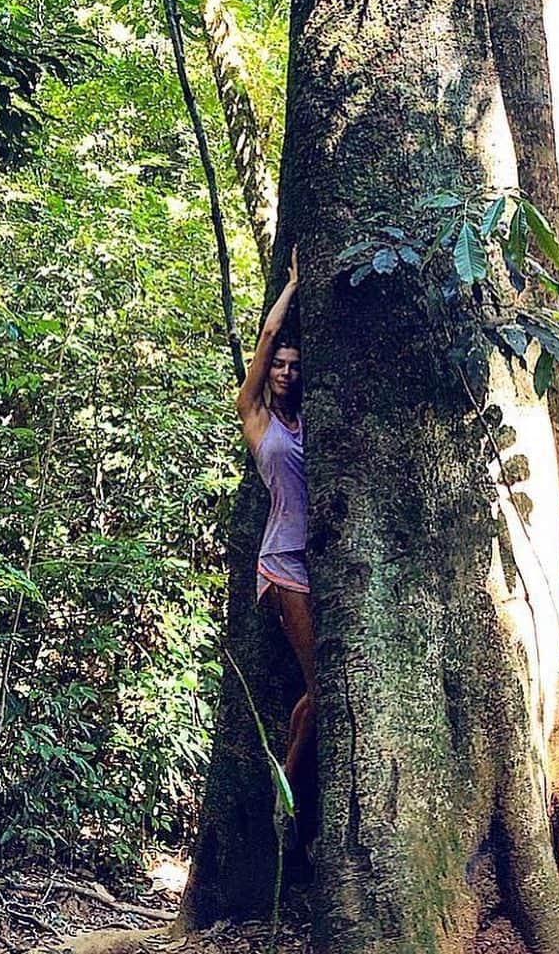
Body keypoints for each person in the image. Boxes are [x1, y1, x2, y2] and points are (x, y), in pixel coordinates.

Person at [235, 246, 316, 794]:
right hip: (282, 561)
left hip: (318, 562)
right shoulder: (258, 418)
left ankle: (290, 783)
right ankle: (285, 789)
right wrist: (290, 288)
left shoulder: (312, 420)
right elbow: (265, 343)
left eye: (293, 366)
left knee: (317, 690)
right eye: (279, 367)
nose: (284, 373)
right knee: (323, 686)